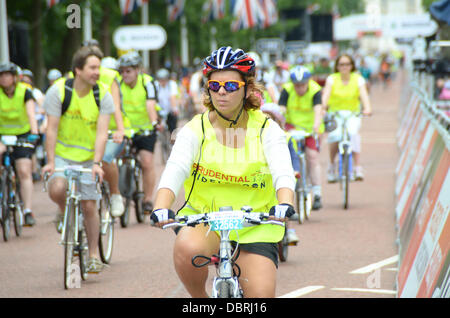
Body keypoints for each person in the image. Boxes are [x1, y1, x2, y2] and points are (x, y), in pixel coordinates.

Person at [150, 46, 296, 298]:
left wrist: (284, 204)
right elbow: (175, 169)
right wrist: (161, 206)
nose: (220, 92)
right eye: (214, 85)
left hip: (255, 226)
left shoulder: (266, 129)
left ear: (247, 89)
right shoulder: (195, 129)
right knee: (186, 247)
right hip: (206, 222)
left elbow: (283, 171)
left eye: (230, 86)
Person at [41, 46, 114, 273]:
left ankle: (93, 254)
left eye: (98, 67)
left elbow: (102, 133)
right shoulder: (58, 91)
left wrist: (96, 163)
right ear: (78, 70)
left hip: (88, 158)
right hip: (63, 155)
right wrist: (50, 161)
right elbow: (51, 130)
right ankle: (63, 209)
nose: (97, 72)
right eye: (92, 67)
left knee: (90, 204)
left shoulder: (103, 94)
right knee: (57, 187)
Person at [278, 65, 324, 210]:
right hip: (291, 128)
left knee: (312, 156)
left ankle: (317, 193)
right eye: (297, 85)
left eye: (302, 85)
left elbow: (318, 110)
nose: (299, 88)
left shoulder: (315, 90)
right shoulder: (286, 89)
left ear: (308, 82)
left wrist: (316, 126)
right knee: (289, 157)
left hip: (310, 128)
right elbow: (281, 110)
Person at [118, 52, 159, 214]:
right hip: (125, 130)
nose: (125, 74)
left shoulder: (147, 83)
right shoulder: (118, 84)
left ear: (137, 70)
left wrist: (154, 123)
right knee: (117, 157)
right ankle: (119, 192)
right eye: (122, 71)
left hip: (145, 129)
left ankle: (148, 199)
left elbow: (150, 105)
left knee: (147, 162)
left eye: (128, 71)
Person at [321, 54, 372, 182]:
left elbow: (364, 95)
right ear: (337, 66)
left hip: (352, 114)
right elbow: (326, 95)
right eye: (341, 64)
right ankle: (332, 166)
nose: (344, 67)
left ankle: (357, 166)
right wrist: (322, 108)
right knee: (334, 136)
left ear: (352, 66)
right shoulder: (332, 79)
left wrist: (367, 108)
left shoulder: (358, 79)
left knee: (353, 133)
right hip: (335, 114)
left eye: (347, 64)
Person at [0, 62, 39, 226]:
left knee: (24, 170)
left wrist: (34, 133)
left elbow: (31, 113)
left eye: (7, 75)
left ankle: (28, 211)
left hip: (22, 135)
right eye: (1, 76)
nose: (4, 78)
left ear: (15, 77)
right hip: (2, 135)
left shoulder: (25, 92)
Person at [260, 102, 299, 245]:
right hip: (263, 178)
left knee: (284, 203)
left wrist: (295, 170)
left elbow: (293, 157)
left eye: (270, 119)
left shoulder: (285, 136)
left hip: (282, 174)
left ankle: (290, 230)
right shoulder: (255, 136)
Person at [155, 68, 179, 134]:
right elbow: (153, 100)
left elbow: (172, 97)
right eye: (161, 80)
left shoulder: (172, 84)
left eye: (164, 80)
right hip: (159, 109)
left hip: (170, 109)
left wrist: (174, 108)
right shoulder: (155, 85)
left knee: (173, 127)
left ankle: (173, 141)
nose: (162, 82)